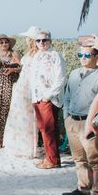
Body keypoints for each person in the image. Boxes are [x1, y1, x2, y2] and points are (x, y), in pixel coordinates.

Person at [61, 43, 98, 195]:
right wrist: (66, 117)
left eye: (87, 55)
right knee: (78, 158)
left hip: (90, 123)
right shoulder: (74, 74)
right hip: (72, 121)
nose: (83, 58)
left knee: (96, 160)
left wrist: (94, 122)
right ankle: (83, 188)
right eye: (80, 55)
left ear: (97, 57)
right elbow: (68, 96)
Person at [29, 30, 66, 169]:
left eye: (44, 40)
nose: (41, 43)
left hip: (49, 98)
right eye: (38, 41)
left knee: (49, 129)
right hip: (37, 97)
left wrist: (48, 96)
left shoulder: (56, 56)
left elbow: (61, 78)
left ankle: (52, 161)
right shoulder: (37, 56)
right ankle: (50, 157)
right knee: (45, 129)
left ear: (50, 41)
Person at [3, 27, 41, 158]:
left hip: (28, 86)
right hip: (21, 84)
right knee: (18, 115)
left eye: (27, 37)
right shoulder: (29, 53)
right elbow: (25, 69)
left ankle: (26, 147)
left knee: (27, 116)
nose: (25, 39)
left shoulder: (37, 54)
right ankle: (17, 145)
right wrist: (17, 65)